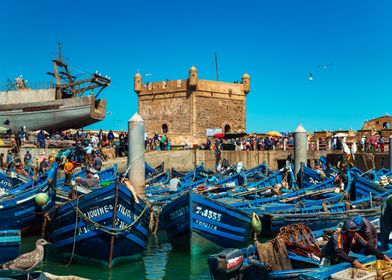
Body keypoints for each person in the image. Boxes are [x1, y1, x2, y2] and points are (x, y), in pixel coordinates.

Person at [320, 219, 391, 269]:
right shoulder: (336, 236)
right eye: (351, 232)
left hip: (340, 257)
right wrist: (354, 262)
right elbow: (339, 252)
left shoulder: (354, 235)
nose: (353, 233)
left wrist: (383, 255)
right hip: (328, 257)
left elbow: (368, 246)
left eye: (355, 231)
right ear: (345, 231)